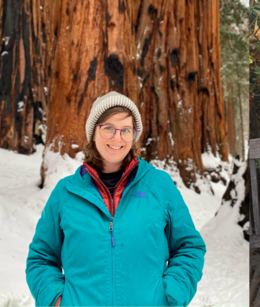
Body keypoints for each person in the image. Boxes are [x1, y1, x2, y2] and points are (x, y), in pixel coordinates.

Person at [26, 91, 206, 307]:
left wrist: (172, 295)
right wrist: (56, 300)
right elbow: (41, 258)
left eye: (126, 130)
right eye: (108, 128)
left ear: (134, 136)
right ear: (93, 132)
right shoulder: (66, 193)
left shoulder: (159, 186)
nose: (117, 137)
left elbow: (189, 247)